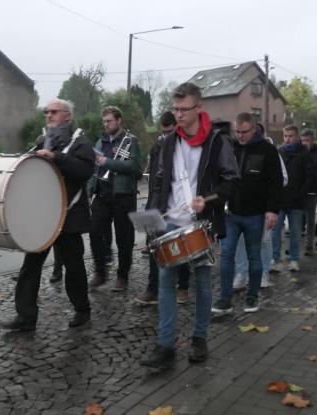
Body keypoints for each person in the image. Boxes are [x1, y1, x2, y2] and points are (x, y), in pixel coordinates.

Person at [140, 82, 238, 369]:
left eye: (184, 109)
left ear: (199, 108)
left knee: (203, 282)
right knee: (166, 283)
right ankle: (165, 344)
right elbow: (158, 186)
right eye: (175, 109)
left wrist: (206, 200)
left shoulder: (218, 142)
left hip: (201, 222)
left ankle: (199, 338)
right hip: (170, 222)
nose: (179, 115)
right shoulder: (166, 143)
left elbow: (232, 183)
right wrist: (151, 221)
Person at [0, 99, 94, 331]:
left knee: (73, 267)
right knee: (30, 266)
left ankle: (82, 309)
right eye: (46, 112)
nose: (49, 115)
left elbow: (84, 171)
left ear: (67, 116)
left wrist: (56, 157)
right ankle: (26, 317)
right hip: (44, 217)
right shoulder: (43, 140)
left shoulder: (80, 141)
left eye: (54, 112)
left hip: (69, 216)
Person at [211, 112, 281, 315]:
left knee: (254, 257)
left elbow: (275, 183)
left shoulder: (267, 150)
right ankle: (225, 299)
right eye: (238, 132)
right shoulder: (229, 147)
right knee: (226, 257)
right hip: (231, 213)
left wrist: (272, 210)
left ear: (254, 129)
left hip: (255, 214)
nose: (241, 136)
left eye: (245, 132)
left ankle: (252, 297)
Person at [135, 111, 190, 305]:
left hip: (177, 205)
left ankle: (183, 286)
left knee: (180, 246)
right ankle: (153, 288)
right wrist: (151, 206)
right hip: (156, 202)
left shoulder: (185, 147)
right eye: (163, 132)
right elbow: (153, 179)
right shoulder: (157, 147)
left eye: (170, 131)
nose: (166, 135)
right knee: (153, 246)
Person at [87, 106, 142, 291]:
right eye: (104, 121)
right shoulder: (100, 142)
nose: (106, 124)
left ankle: (122, 276)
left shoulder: (130, 141)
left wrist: (107, 162)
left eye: (109, 121)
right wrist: (89, 191)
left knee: (123, 238)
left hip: (123, 195)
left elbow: (135, 167)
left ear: (119, 121)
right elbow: (94, 169)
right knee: (94, 232)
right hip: (102, 194)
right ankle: (101, 272)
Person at [271, 125, 313, 272]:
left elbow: (309, 176)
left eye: (291, 136)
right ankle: (274, 259)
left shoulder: (304, 153)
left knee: (295, 231)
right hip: (280, 199)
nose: (288, 139)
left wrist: (301, 193)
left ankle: (294, 259)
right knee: (275, 231)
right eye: (285, 136)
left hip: (296, 200)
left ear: (296, 137)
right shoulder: (278, 152)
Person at [300, 129, 317, 256]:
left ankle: (309, 245)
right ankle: (296, 246)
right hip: (298, 192)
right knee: (297, 220)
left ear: (312, 140)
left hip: (311, 191)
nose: (305, 143)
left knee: (310, 219)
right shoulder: (298, 153)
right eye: (303, 140)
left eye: (307, 140)